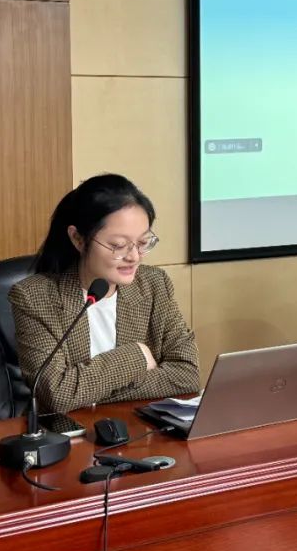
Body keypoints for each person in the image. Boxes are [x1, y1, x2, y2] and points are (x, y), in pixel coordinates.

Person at [10, 174, 200, 414]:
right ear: (78, 239)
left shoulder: (154, 285)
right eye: (118, 245)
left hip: (137, 427)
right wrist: (137, 356)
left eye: (143, 242)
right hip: (69, 432)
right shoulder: (34, 297)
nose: (134, 257)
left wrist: (88, 392)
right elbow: (56, 394)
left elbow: (187, 374)